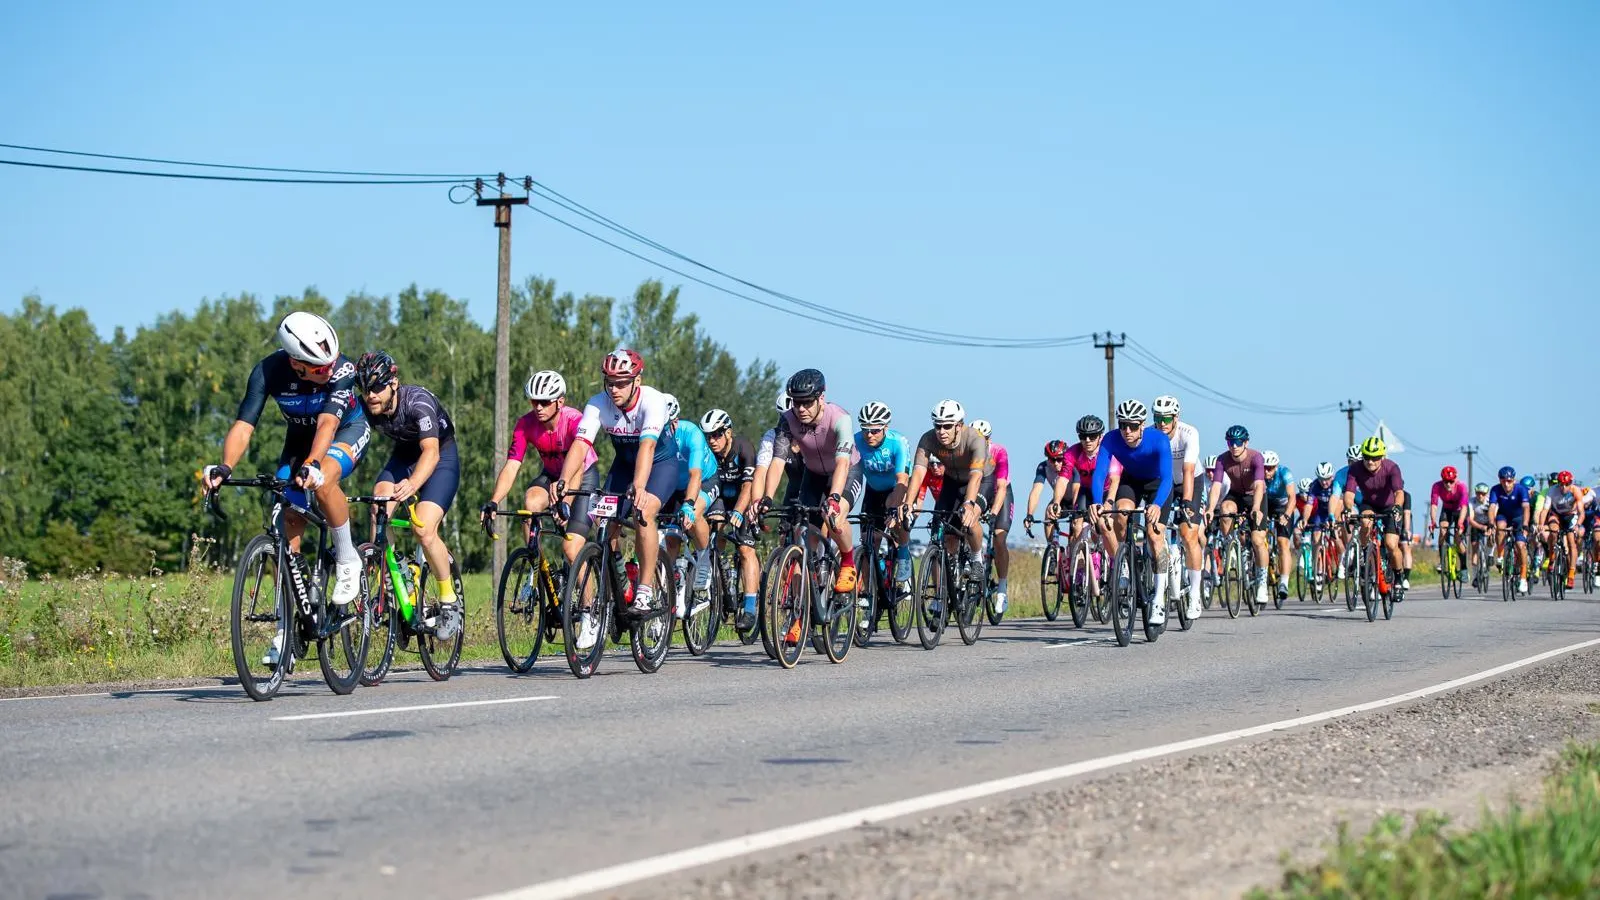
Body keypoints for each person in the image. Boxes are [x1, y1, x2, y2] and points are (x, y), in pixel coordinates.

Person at [203, 312, 369, 666]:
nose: (330, 369)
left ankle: (347, 557)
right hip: (298, 440)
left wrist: (312, 464)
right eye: (319, 368)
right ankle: (285, 630)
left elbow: (327, 423)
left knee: (324, 479)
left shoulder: (342, 370)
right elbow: (244, 426)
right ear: (296, 363)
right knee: (286, 530)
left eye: (330, 363)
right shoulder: (268, 372)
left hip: (344, 431)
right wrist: (225, 467)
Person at [555, 348, 680, 651]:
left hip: (660, 463)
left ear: (638, 380)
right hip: (623, 465)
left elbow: (648, 448)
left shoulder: (653, 400)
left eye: (622, 382)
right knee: (604, 524)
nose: (614, 389)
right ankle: (620, 583)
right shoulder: (598, 405)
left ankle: (646, 590)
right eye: (610, 382)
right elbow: (581, 445)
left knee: (644, 512)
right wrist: (562, 480)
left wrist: (639, 488)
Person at [356, 352, 462, 638]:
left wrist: (413, 485)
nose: (371, 396)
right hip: (404, 456)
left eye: (377, 388)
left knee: (423, 529)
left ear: (394, 383)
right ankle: (396, 572)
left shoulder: (418, 403)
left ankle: (449, 600)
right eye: (365, 389)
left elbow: (431, 452)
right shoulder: (366, 406)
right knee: (379, 507)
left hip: (440, 457)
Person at [755, 368, 863, 645]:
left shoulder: (839, 418)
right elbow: (778, 461)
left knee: (834, 518)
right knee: (803, 542)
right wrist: (767, 497)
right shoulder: (787, 420)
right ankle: (799, 617)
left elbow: (841, 462)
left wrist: (835, 498)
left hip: (846, 471)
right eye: (795, 402)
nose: (800, 408)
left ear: (821, 398)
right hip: (813, 475)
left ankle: (848, 562)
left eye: (807, 402)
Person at [481, 370, 598, 567]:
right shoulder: (525, 424)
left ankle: (588, 599)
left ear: (560, 402)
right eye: (534, 401)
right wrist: (494, 501)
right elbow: (512, 466)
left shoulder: (575, 421)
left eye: (544, 402)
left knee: (572, 551)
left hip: (583, 476)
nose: (538, 407)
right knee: (530, 504)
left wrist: (566, 503)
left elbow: (577, 469)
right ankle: (541, 571)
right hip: (552, 475)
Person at [1087, 399, 1174, 625]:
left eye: (1133, 426)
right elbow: (1099, 474)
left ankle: (1158, 599)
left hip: (1158, 484)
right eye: (1123, 424)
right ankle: (1124, 564)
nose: (1127, 431)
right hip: (1132, 480)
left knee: (1155, 535)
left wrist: (1156, 504)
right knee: (1121, 513)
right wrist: (1098, 502)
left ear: (1142, 425)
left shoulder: (1160, 440)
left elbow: (1167, 478)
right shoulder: (1111, 439)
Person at [902, 400, 990, 594]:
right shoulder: (928, 439)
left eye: (947, 426)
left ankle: (976, 560)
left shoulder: (975, 439)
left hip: (981, 481)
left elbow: (976, 476)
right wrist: (908, 503)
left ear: (959, 425)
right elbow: (918, 472)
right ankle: (946, 583)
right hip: (952, 481)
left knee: (970, 516)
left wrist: (969, 503)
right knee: (945, 530)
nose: (941, 431)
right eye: (937, 426)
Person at [700, 408, 762, 631]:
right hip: (719, 497)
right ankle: (724, 572)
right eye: (708, 436)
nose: (712, 440)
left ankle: (750, 608)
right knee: (714, 533)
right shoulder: (707, 452)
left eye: (717, 434)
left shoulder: (743, 448)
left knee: (745, 550)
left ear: (728, 433)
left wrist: (738, 512)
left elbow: (748, 486)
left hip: (741, 499)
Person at [661, 393, 718, 620]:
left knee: (692, 515)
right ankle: (673, 584)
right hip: (673, 485)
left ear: (675, 422)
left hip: (705, 479)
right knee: (671, 537)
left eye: (668, 426)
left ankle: (704, 559)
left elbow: (695, 474)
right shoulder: (653, 436)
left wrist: (688, 504)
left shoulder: (690, 433)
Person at [855, 401, 914, 603]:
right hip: (873, 490)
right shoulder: (856, 442)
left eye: (875, 430)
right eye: (865, 430)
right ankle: (871, 589)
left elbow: (902, 480)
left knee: (896, 522)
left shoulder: (897, 443)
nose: (869, 435)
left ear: (885, 428)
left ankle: (904, 555)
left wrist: (893, 508)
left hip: (897, 488)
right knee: (868, 541)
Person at [1206, 425, 1269, 608]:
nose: (1234, 446)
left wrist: (1256, 508)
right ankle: (1229, 545)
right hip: (1236, 495)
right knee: (1225, 508)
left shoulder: (1256, 457)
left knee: (1258, 540)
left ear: (1246, 443)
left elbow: (1258, 485)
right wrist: (1210, 508)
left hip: (1255, 496)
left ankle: (1262, 583)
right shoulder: (1222, 459)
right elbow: (1216, 486)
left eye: (1238, 442)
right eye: (1230, 442)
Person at [1153, 395, 1205, 615]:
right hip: (1165, 482)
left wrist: (1186, 501)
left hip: (1189, 481)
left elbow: (1189, 470)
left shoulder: (1189, 433)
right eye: (1158, 418)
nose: (1162, 423)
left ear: (1175, 417)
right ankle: (1157, 595)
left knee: (1188, 534)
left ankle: (1194, 594)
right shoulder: (1152, 434)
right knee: (1155, 531)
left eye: (1166, 419)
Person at [1341, 436, 1408, 595]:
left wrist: (1397, 508)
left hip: (1390, 506)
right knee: (1364, 522)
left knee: (1391, 545)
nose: (1370, 462)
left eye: (1375, 458)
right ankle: (1365, 553)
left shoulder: (1392, 468)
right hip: (1369, 504)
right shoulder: (1355, 468)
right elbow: (1349, 493)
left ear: (1382, 457)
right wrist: (1348, 509)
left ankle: (1398, 577)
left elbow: (1399, 492)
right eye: (1366, 457)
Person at [971, 419, 1014, 613]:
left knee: (998, 536)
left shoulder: (999, 452)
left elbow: (1002, 486)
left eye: (984, 439)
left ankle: (1002, 590)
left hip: (1000, 493)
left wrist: (994, 513)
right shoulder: (968, 452)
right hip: (980, 491)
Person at [1488, 466, 1532, 594]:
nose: (1506, 484)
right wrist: (1491, 523)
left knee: (1520, 545)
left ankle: (1523, 578)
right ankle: (1501, 555)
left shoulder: (1521, 489)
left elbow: (1526, 508)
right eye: (1503, 481)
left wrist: (1525, 524)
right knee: (1500, 527)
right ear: (1500, 480)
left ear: (1514, 480)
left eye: (1509, 481)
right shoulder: (1495, 490)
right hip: (1504, 515)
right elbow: (1492, 507)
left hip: (1518, 518)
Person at [1262, 450, 1298, 600]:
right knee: (1258, 536)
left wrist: (1287, 515)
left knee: (1283, 542)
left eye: (1270, 468)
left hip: (1283, 506)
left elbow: (1292, 497)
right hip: (1266, 504)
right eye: (1264, 467)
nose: (1266, 471)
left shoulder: (1284, 473)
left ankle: (1283, 581)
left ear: (1276, 467)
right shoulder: (1258, 474)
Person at [1427, 465, 1469, 575]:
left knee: (1457, 537)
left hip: (1460, 511)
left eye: (1451, 481)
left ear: (1455, 479)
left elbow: (1464, 507)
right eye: (1446, 481)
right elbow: (1434, 505)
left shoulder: (1462, 487)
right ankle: (1442, 562)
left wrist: (1460, 523)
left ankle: (1464, 568)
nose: (1448, 484)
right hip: (1447, 510)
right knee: (1442, 530)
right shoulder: (1437, 486)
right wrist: (1433, 521)